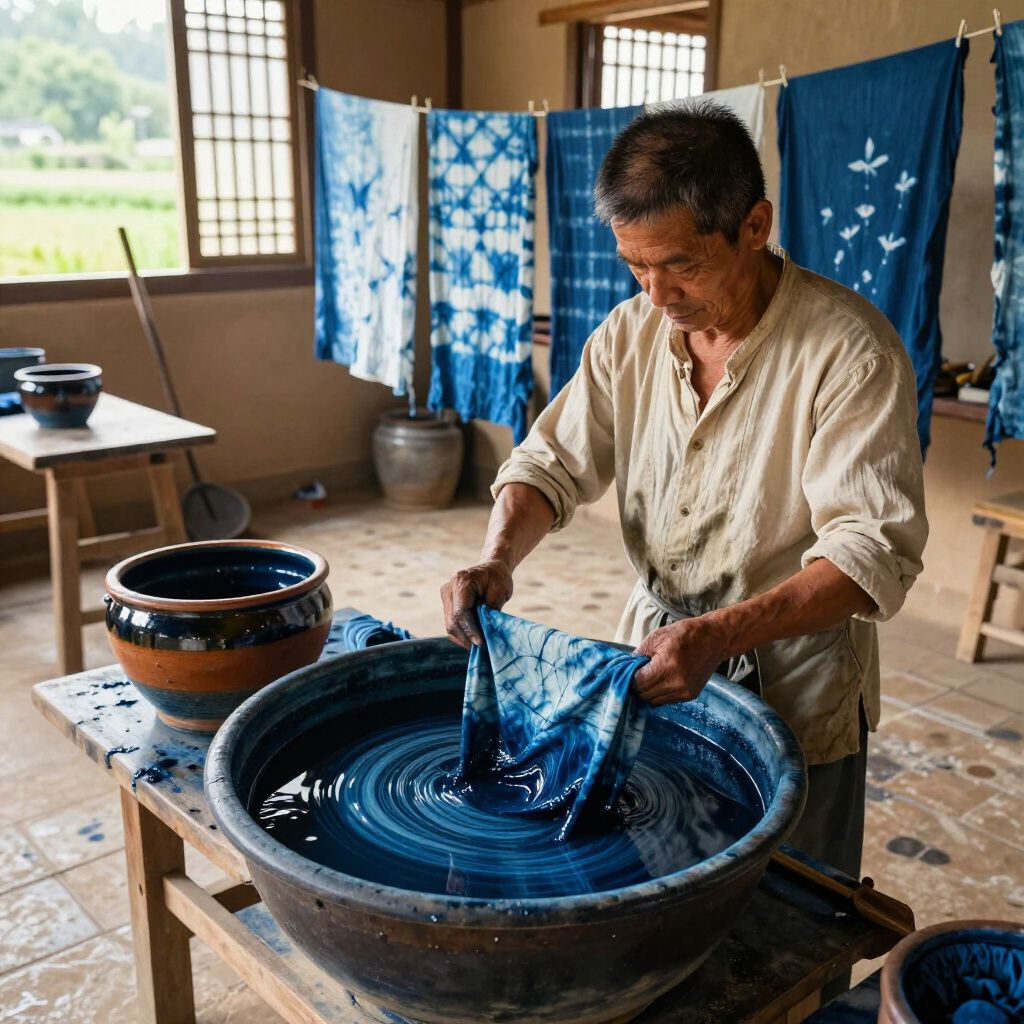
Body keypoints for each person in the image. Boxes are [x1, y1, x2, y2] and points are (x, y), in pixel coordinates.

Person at [440, 99, 928, 881]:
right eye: (636, 264)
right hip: (659, 662)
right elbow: (547, 465)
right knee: (660, 879)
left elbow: (869, 554)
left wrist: (720, 634)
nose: (657, 292)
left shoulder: (849, 352)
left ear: (754, 225)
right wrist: (497, 559)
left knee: (795, 914)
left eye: (682, 264)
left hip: (794, 682)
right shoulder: (629, 333)